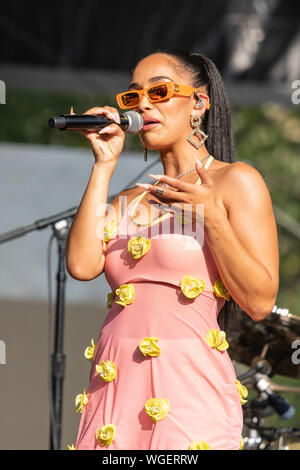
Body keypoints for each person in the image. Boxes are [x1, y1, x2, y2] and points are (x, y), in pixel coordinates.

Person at [66, 50, 279, 450]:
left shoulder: (236, 181)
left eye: (159, 91)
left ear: (198, 103)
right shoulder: (129, 199)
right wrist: (103, 165)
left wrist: (212, 218)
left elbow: (260, 300)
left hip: (186, 387)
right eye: (132, 97)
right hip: (115, 386)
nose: (144, 103)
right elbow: (81, 264)